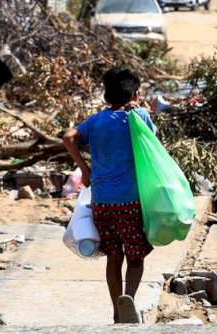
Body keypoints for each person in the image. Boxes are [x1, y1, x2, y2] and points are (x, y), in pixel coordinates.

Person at [63, 67, 157, 324]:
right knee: (135, 257)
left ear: (106, 95)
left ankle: (117, 312)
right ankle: (129, 299)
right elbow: (153, 145)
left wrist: (85, 170)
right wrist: (143, 111)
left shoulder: (96, 121)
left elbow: (68, 137)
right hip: (130, 201)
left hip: (102, 202)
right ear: (135, 94)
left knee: (114, 257)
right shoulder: (139, 117)